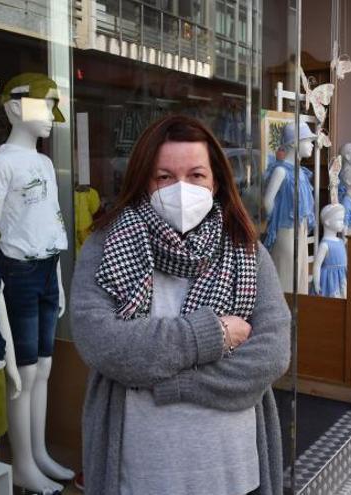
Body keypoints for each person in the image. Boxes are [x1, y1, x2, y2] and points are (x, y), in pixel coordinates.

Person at [71, 115, 291, 495]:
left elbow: (270, 355)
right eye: (164, 177)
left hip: (234, 470)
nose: (181, 189)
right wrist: (213, 334)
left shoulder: (246, 250)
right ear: (143, 180)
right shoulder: (106, 246)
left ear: (216, 181)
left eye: (196, 175)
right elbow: (102, 343)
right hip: (139, 473)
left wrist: (175, 381)